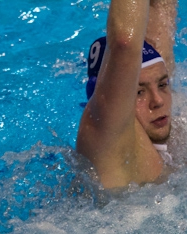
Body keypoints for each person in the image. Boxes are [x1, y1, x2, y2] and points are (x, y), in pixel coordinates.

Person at [76, 0, 177, 190]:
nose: (158, 101)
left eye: (163, 84)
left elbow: (162, 8)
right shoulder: (106, 135)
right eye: (139, 92)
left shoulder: (156, 117)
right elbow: (125, 43)